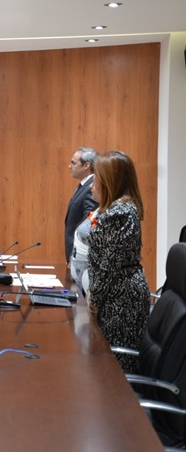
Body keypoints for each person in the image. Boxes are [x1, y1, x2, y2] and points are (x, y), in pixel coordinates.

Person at [88, 150, 149, 374]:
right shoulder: (117, 209)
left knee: (114, 366)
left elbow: (109, 265)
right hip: (114, 292)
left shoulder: (121, 213)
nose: (92, 184)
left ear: (108, 180)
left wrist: (94, 300)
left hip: (120, 297)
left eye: (96, 177)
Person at [65, 147, 98, 263]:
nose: (69, 166)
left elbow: (88, 225)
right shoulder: (84, 186)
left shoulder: (90, 188)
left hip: (81, 257)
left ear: (86, 166)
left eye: (73, 163)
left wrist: (74, 258)